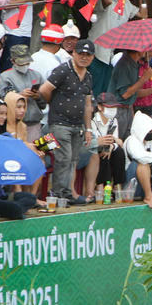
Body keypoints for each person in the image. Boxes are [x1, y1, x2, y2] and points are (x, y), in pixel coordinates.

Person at [39, 39, 98, 205]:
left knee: (73, 159)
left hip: (77, 125)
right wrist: (55, 104)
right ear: (73, 53)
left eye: (88, 55)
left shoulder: (88, 77)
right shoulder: (63, 70)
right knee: (64, 158)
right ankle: (58, 193)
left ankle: (67, 193)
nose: (84, 57)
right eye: (80, 53)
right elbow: (44, 90)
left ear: (93, 57)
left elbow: (88, 105)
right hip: (59, 123)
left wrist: (88, 129)